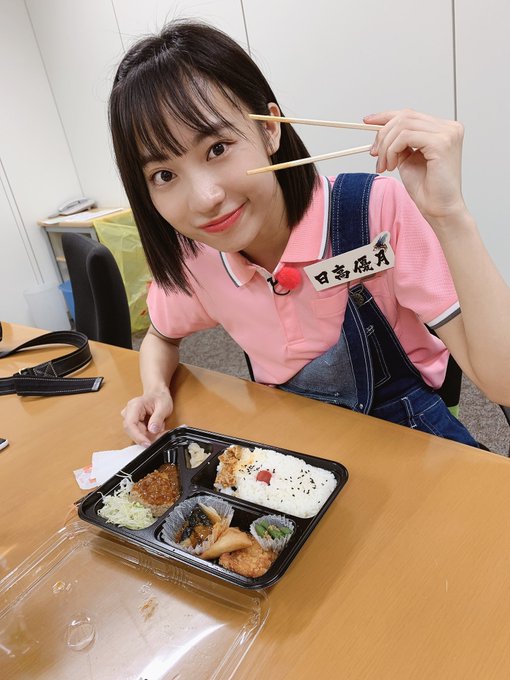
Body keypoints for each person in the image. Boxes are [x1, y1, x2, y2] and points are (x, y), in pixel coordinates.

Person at [109, 20, 510, 448]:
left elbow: (503, 384)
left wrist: (451, 216)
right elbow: (161, 336)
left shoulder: (373, 211)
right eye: (164, 174)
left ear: (269, 129)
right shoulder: (197, 257)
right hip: (297, 444)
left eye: (217, 148)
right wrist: (154, 388)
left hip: (406, 435)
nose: (206, 198)